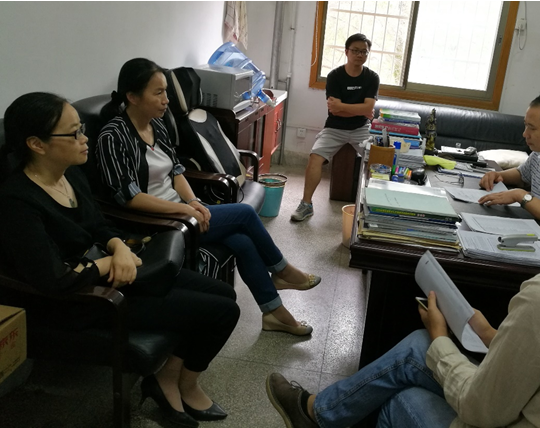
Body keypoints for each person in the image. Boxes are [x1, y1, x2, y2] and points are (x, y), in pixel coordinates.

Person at [266, 114, 540, 427]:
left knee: (404, 396)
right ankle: (317, 413)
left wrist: (442, 338)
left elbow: (481, 410)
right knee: (419, 347)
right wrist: (493, 335)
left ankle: (322, 415)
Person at [0, 92, 242, 427]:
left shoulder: (70, 174)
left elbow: (98, 225)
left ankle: (167, 378)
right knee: (223, 312)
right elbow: (53, 278)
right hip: (80, 301)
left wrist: (120, 247)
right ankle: (183, 384)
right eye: (74, 133)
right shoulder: (17, 203)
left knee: (223, 293)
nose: (85, 139)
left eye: (82, 129)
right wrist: (108, 263)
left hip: (111, 274)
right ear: (36, 144)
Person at [97, 58, 319, 336]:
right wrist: (184, 211)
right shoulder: (113, 136)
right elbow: (129, 198)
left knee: (242, 242)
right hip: (153, 223)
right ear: (132, 96)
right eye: (158, 92)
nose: (166, 100)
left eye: (166, 91)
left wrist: (193, 202)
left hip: (181, 211)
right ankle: (282, 271)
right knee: (245, 213)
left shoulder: (157, 125)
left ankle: (275, 314)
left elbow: (177, 172)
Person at [290, 33, 380, 221]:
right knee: (315, 158)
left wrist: (346, 108)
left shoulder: (372, 77)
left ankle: (373, 208)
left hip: (361, 128)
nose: (360, 55)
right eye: (355, 51)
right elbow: (335, 110)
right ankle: (306, 204)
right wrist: (360, 110)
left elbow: (367, 108)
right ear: (346, 52)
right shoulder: (335, 76)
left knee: (377, 162)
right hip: (334, 128)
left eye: (364, 52)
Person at [478, 92, 540, 237]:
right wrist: (497, 175)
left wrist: (520, 195)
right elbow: (521, 174)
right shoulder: (539, 153)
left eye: (532, 128)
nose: (525, 134)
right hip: (535, 228)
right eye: (526, 125)